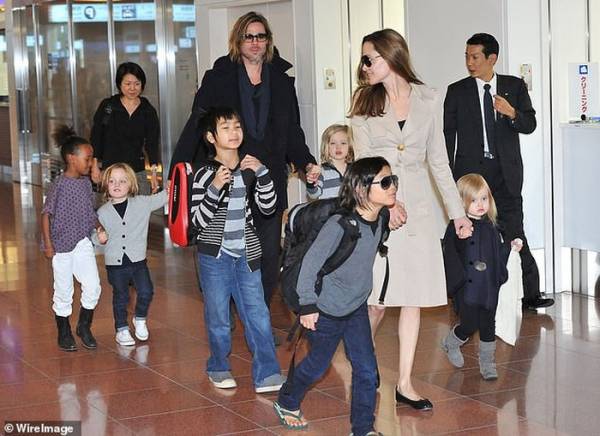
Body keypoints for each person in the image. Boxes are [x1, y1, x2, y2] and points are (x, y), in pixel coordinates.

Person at [349, 29, 472, 410]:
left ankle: (404, 382)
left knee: (413, 298)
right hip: (379, 208)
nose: (364, 66)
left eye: (369, 58)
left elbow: (439, 162)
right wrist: (388, 204)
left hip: (418, 211)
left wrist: (457, 214)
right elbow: (363, 165)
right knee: (377, 301)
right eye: (363, 60)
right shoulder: (364, 104)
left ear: (391, 57)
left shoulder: (429, 98)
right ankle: (364, 367)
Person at [170, 11, 320, 309]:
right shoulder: (218, 78)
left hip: (268, 177)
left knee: (268, 254)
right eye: (248, 37)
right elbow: (197, 124)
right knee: (228, 250)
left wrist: (306, 163)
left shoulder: (281, 81)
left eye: (260, 36)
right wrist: (179, 169)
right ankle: (226, 307)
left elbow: (292, 129)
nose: (254, 42)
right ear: (237, 41)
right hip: (229, 177)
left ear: (268, 41)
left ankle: (257, 313)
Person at [273, 157, 396, 434]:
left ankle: (363, 428)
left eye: (393, 180)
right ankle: (287, 400)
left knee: (366, 370)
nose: (393, 187)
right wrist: (307, 305)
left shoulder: (380, 219)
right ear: (362, 189)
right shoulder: (339, 226)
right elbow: (310, 265)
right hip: (325, 309)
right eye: (386, 182)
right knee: (318, 367)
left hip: (355, 307)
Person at [443, 33, 554, 311]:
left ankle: (530, 294)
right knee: (465, 234)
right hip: (471, 176)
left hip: (505, 173)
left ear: (492, 58)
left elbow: (530, 124)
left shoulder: (514, 86)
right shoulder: (457, 91)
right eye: (467, 56)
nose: (469, 62)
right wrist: (448, 175)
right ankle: (461, 294)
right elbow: (447, 134)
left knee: (515, 230)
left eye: (475, 57)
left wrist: (512, 112)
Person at [190, 107, 285, 393]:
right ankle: (218, 366)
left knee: (258, 314)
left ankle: (267, 372)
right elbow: (197, 222)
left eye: (237, 126)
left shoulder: (248, 169)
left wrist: (263, 173)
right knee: (219, 316)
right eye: (226, 128)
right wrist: (215, 187)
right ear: (211, 137)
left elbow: (268, 208)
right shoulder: (204, 173)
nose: (234, 132)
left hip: (246, 254)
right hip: (214, 256)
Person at [441, 174, 523, 380]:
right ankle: (452, 342)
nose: (480, 204)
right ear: (461, 202)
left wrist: (510, 248)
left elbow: (496, 254)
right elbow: (451, 253)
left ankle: (487, 363)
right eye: (473, 200)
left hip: (487, 286)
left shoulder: (492, 227)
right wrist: (461, 239)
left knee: (488, 324)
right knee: (469, 324)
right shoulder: (457, 227)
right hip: (467, 287)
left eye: (484, 198)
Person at [41, 125, 102, 352]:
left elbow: (89, 212)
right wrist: (48, 245)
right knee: (64, 290)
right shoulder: (59, 185)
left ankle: (84, 326)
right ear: (71, 159)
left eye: (92, 159)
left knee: (93, 286)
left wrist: (99, 227)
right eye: (87, 159)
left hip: (82, 243)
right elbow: (46, 215)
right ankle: (64, 330)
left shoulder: (85, 183)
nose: (91, 163)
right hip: (61, 247)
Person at [93, 163, 168, 346]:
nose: (117, 185)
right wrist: (99, 237)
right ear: (106, 184)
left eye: (122, 181)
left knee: (146, 290)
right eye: (112, 181)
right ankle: (121, 329)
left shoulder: (141, 203)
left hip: (138, 261)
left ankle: (140, 318)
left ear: (131, 184)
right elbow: (94, 235)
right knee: (121, 296)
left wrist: (175, 184)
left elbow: (163, 197)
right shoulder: (102, 212)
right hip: (115, 264)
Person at [91, 62, 161, 195]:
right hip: (110, 171)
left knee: (139, 206)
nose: (132, 88)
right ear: (119, 84)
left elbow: (152, 143)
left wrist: (153, 174)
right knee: (112, 206)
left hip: (136, 171)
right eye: (128, 84)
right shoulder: (108, 106)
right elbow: (97, 136)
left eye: (137, 84)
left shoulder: (147, 110)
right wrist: (94, 165)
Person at [306, 124, 354, 200]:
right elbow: (313, 195)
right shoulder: (322, 171)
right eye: (333, 143)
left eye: (343, 143)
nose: (338, 147)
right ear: (326, 147)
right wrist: (311, 183)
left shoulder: (354, 170)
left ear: (350, 146)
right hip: (329, 208)